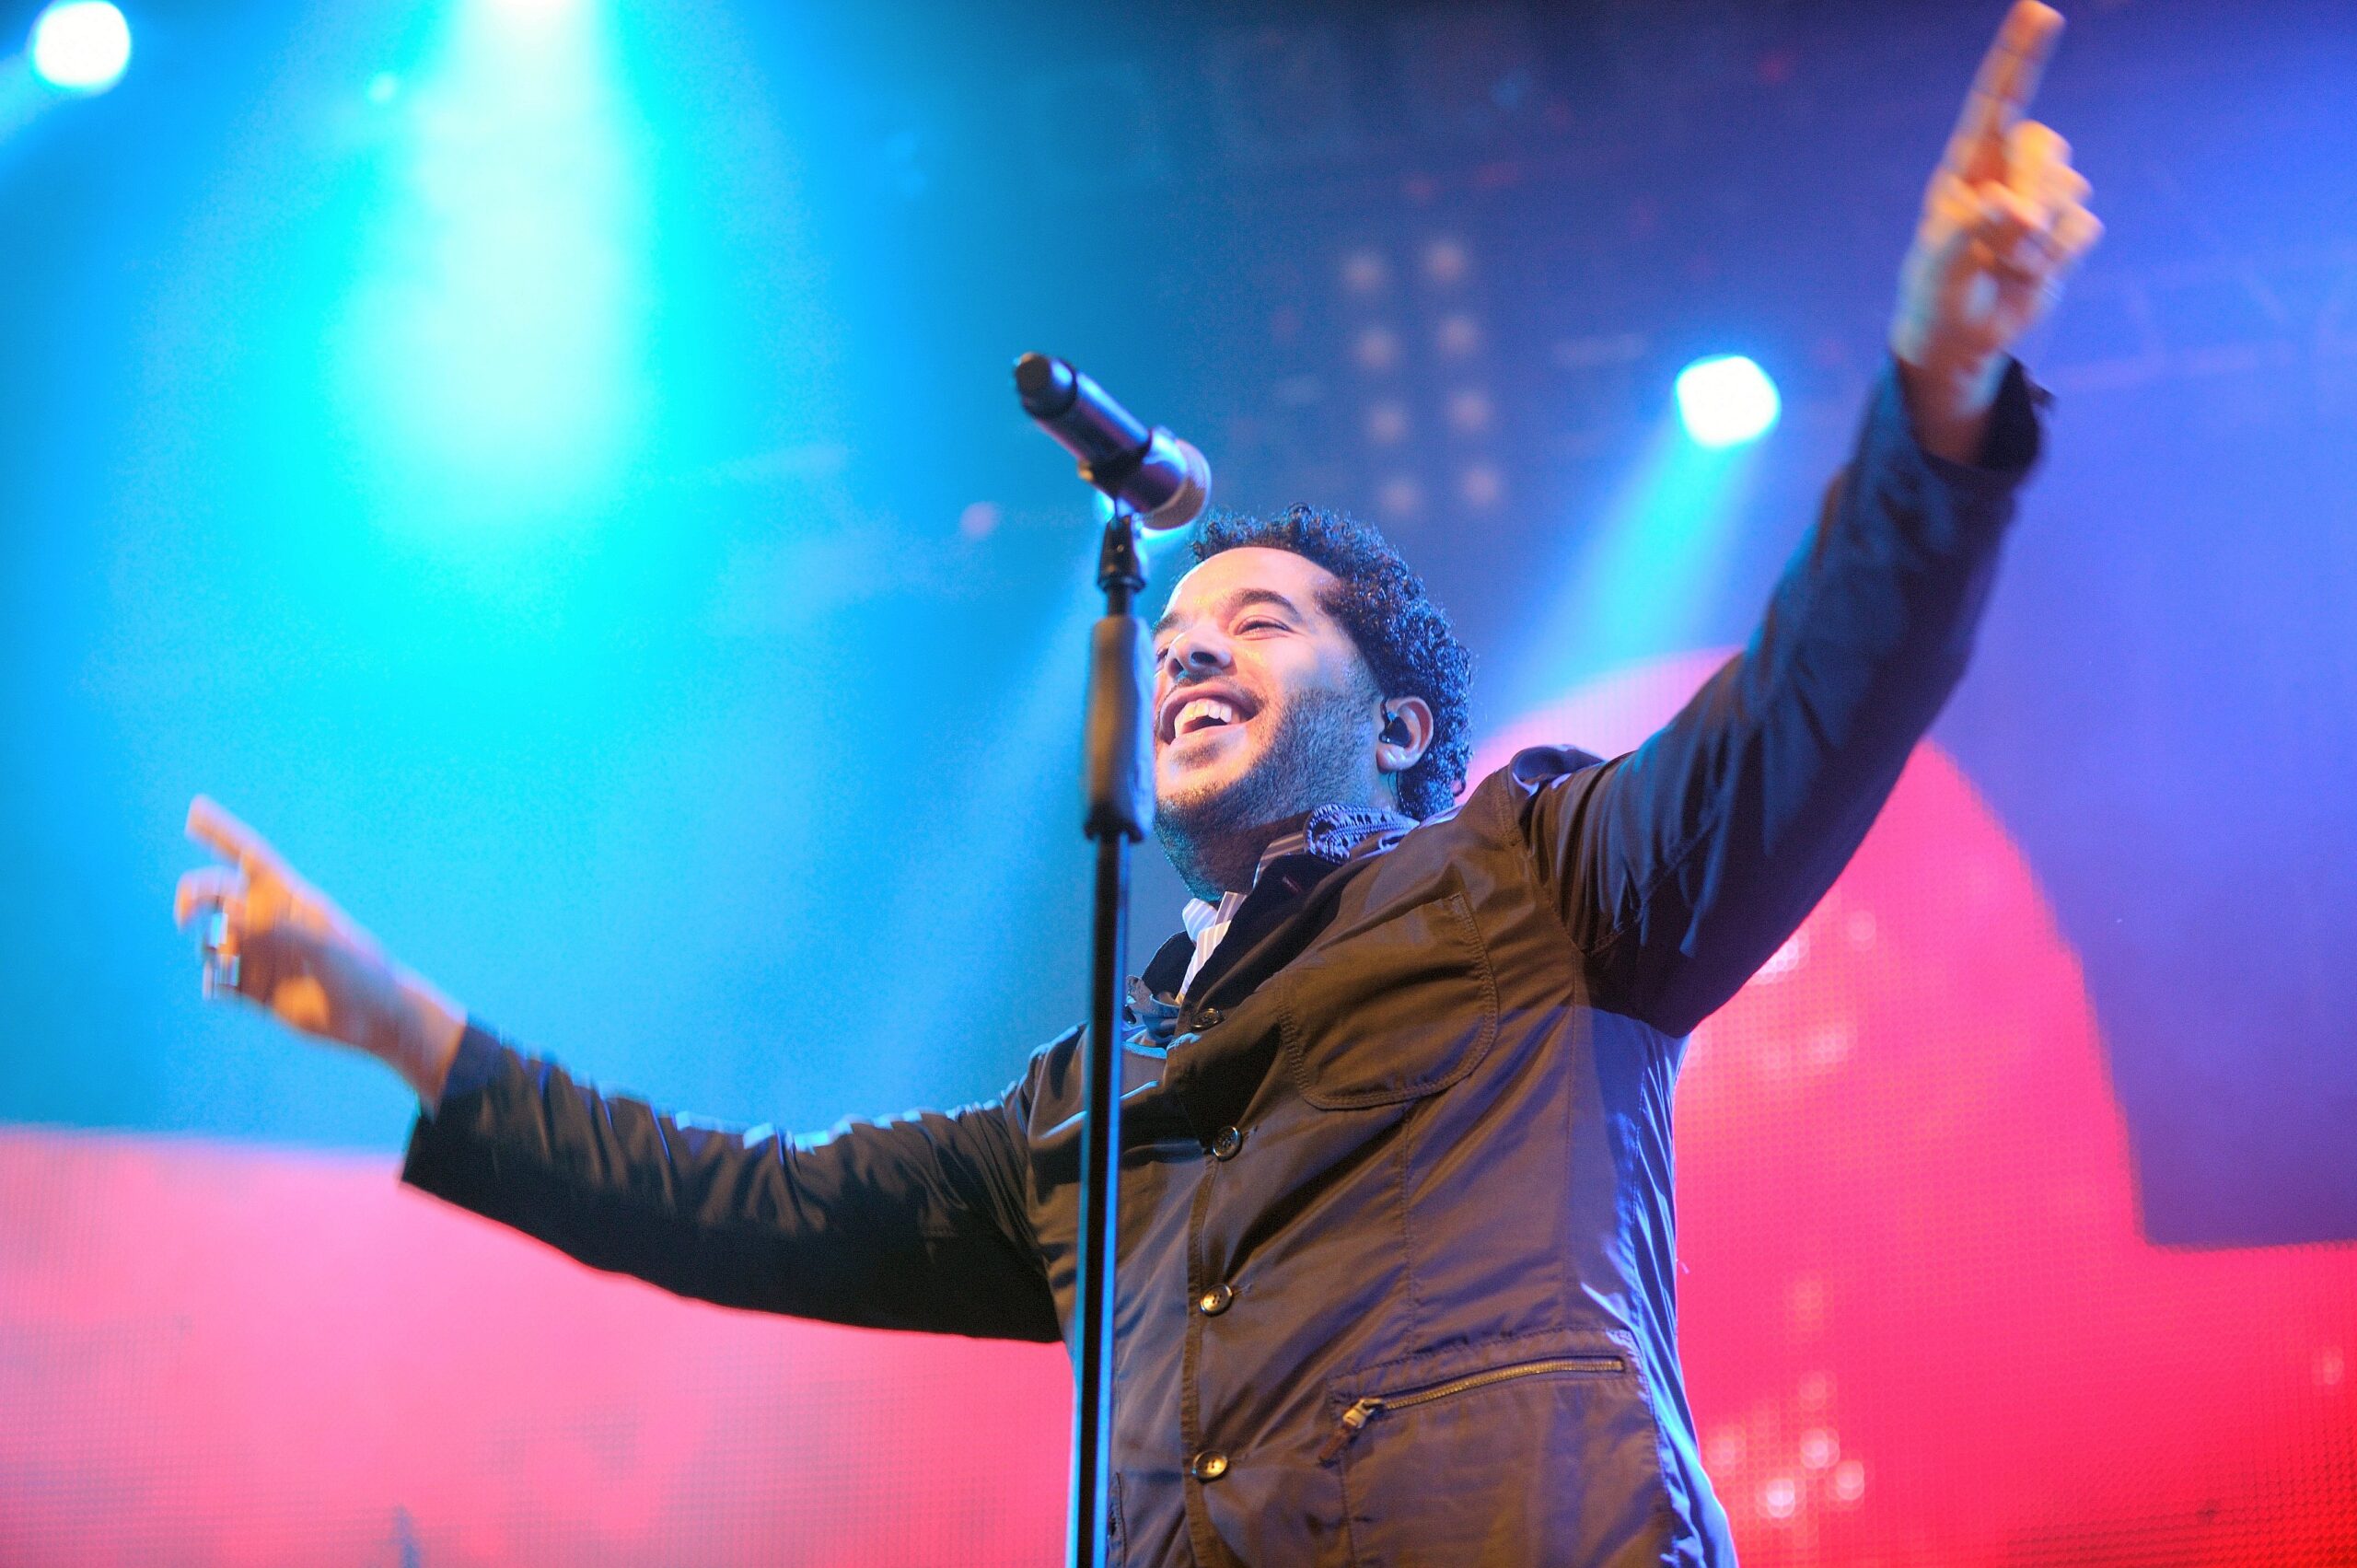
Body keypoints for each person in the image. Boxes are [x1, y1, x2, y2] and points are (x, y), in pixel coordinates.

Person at [173, 6, 2099, 1562]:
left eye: (1258, 622)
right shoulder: (1080, 1115)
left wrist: (1931, 396)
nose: (1190, 644)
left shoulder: (1536, 879)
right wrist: (409, 1035)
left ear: (1402, 725)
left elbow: (1812, 707)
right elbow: (731, 1206)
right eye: (1180, 628)